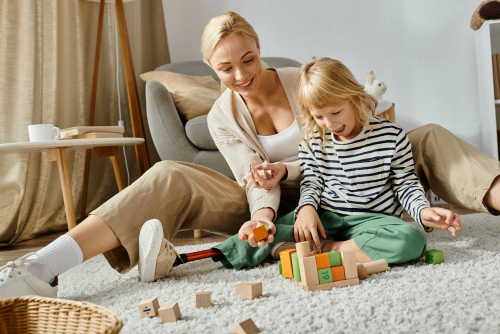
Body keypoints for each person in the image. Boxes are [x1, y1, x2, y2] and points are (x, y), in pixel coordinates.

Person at [0, 11, 499, 299]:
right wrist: (263, 212)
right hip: (275, 203)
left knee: (428, 133)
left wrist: (288, 167)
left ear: (260, 50)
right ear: (211, 68)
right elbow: (251, 178)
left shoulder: (302, 83)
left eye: (249, 59)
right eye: (226, 68)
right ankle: (43, 267)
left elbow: (331, 153)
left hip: (338, 184)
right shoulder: (221, 115)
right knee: (169, 172)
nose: (241, 75)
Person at [212, 57, 461, 270]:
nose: (329, 124)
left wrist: (422, 211)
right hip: (327, 218)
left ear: (354, 98)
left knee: (411, 240)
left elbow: (406, 183)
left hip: (374, 221)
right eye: (319, 116)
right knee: (264, 232)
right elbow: (311, 182)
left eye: (336, 112)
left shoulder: (392, 136)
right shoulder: (312, 140)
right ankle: (228, 253)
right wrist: (306, 210)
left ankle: (325, 251)